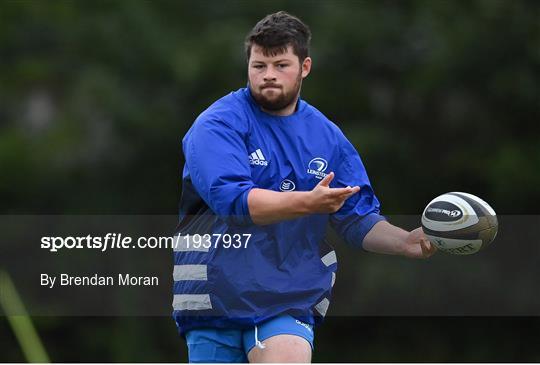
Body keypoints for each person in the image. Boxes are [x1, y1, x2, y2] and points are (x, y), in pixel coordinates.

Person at [173, 11, 436, 363]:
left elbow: (357, 218)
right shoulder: (216, 125)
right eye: (258, 66)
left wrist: (405, 242)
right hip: (215, 296)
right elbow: (234, 203)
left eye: (281, 64)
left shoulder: (328, 138)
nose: (268, 75)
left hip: (287, 295)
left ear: (305, 66)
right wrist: (309, 202)